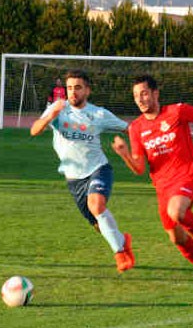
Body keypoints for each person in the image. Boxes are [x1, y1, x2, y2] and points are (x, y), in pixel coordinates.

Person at [112, 74, 193, 288]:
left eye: (144, 93)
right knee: (176, 238)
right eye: (136, 96)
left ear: (156, 93)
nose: (140, 99)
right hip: (162, 187)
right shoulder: (136, 128)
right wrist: (124, 154)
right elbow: (139, 168)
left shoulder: (176, 111)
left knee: (176, 211)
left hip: (186, 175)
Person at [30, 69, 135, 273]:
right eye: (69, 88)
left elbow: (129, 129)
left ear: (87, 90)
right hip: (73, 178)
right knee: (97, 225)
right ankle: (122, 241)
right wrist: (51, 115)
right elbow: (34, 130)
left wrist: (140, 148)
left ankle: (120, 254)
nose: (72, 92)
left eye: (78, 88)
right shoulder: (57, 109)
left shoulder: (99, 114)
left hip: (98, 169)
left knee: (96, 205)